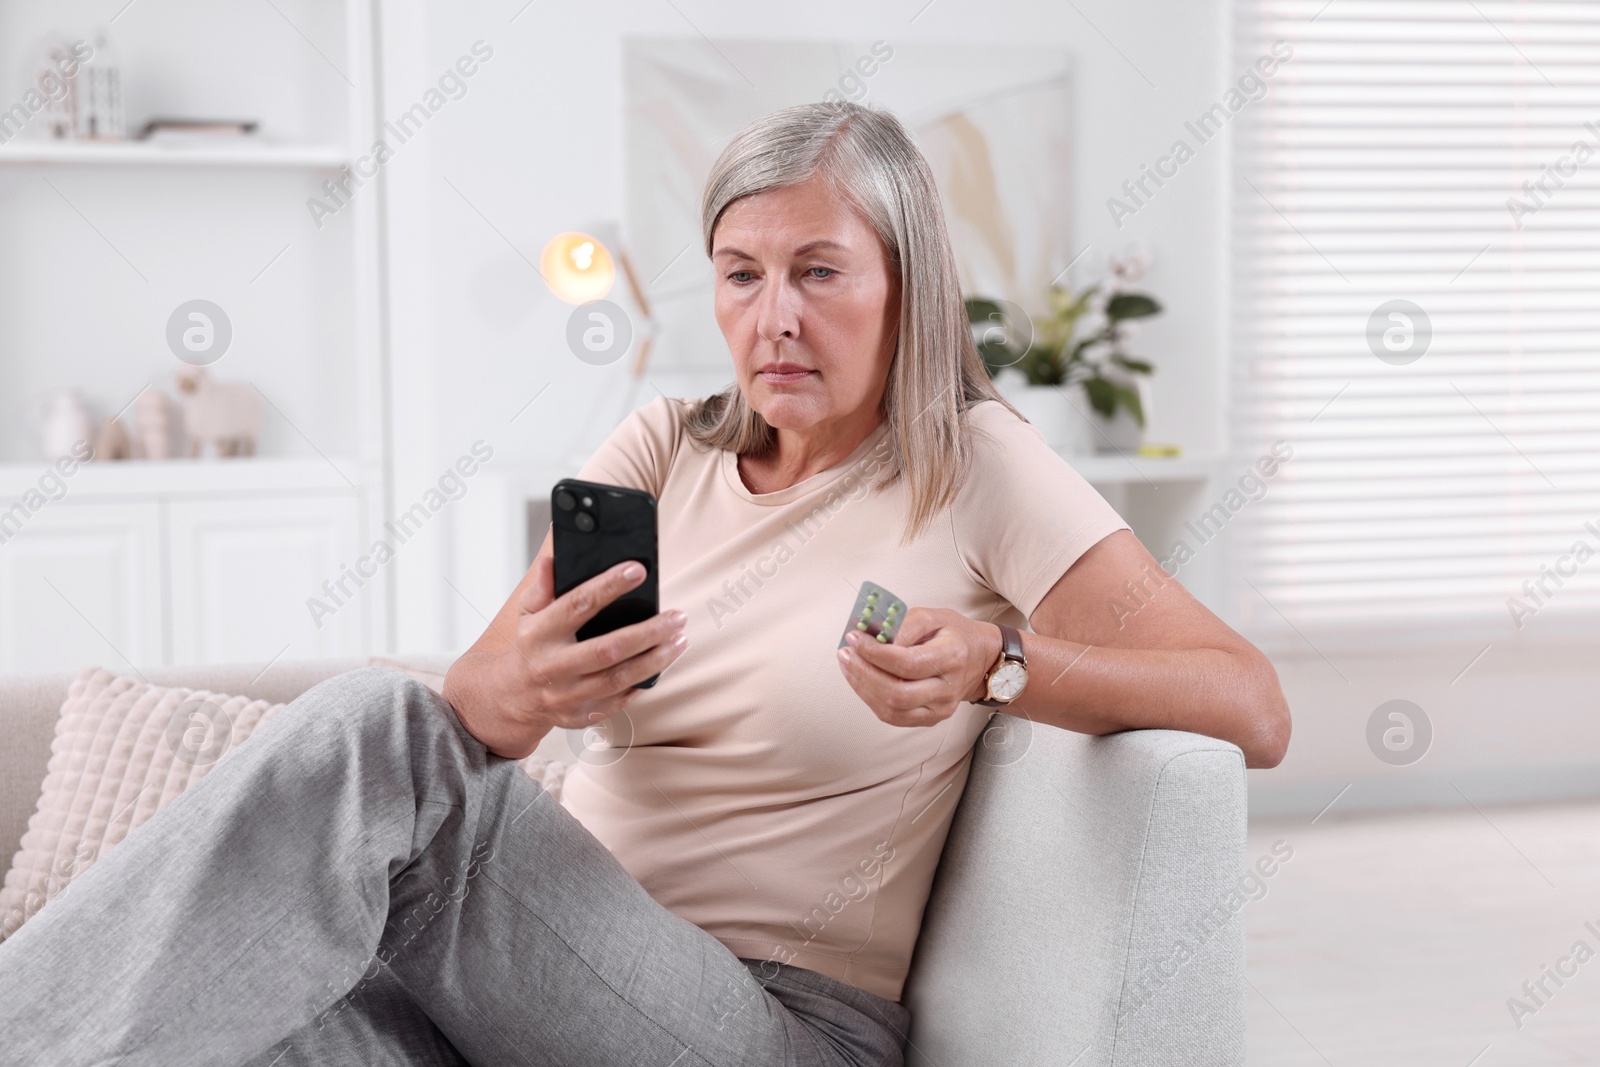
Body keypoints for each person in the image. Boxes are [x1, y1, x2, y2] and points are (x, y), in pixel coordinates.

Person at [0, 100, 1289, 1067]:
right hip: (541, 984)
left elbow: (1251, 704)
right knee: (258, 1019)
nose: (773, 316)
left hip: (768, 1021)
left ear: (908, 286)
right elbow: (470, 714)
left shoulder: (976, 463)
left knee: (366, 720)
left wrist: (1001, 668)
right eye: (742, 275)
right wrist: (526, 691)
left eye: (820, 272)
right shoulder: (667, 445)